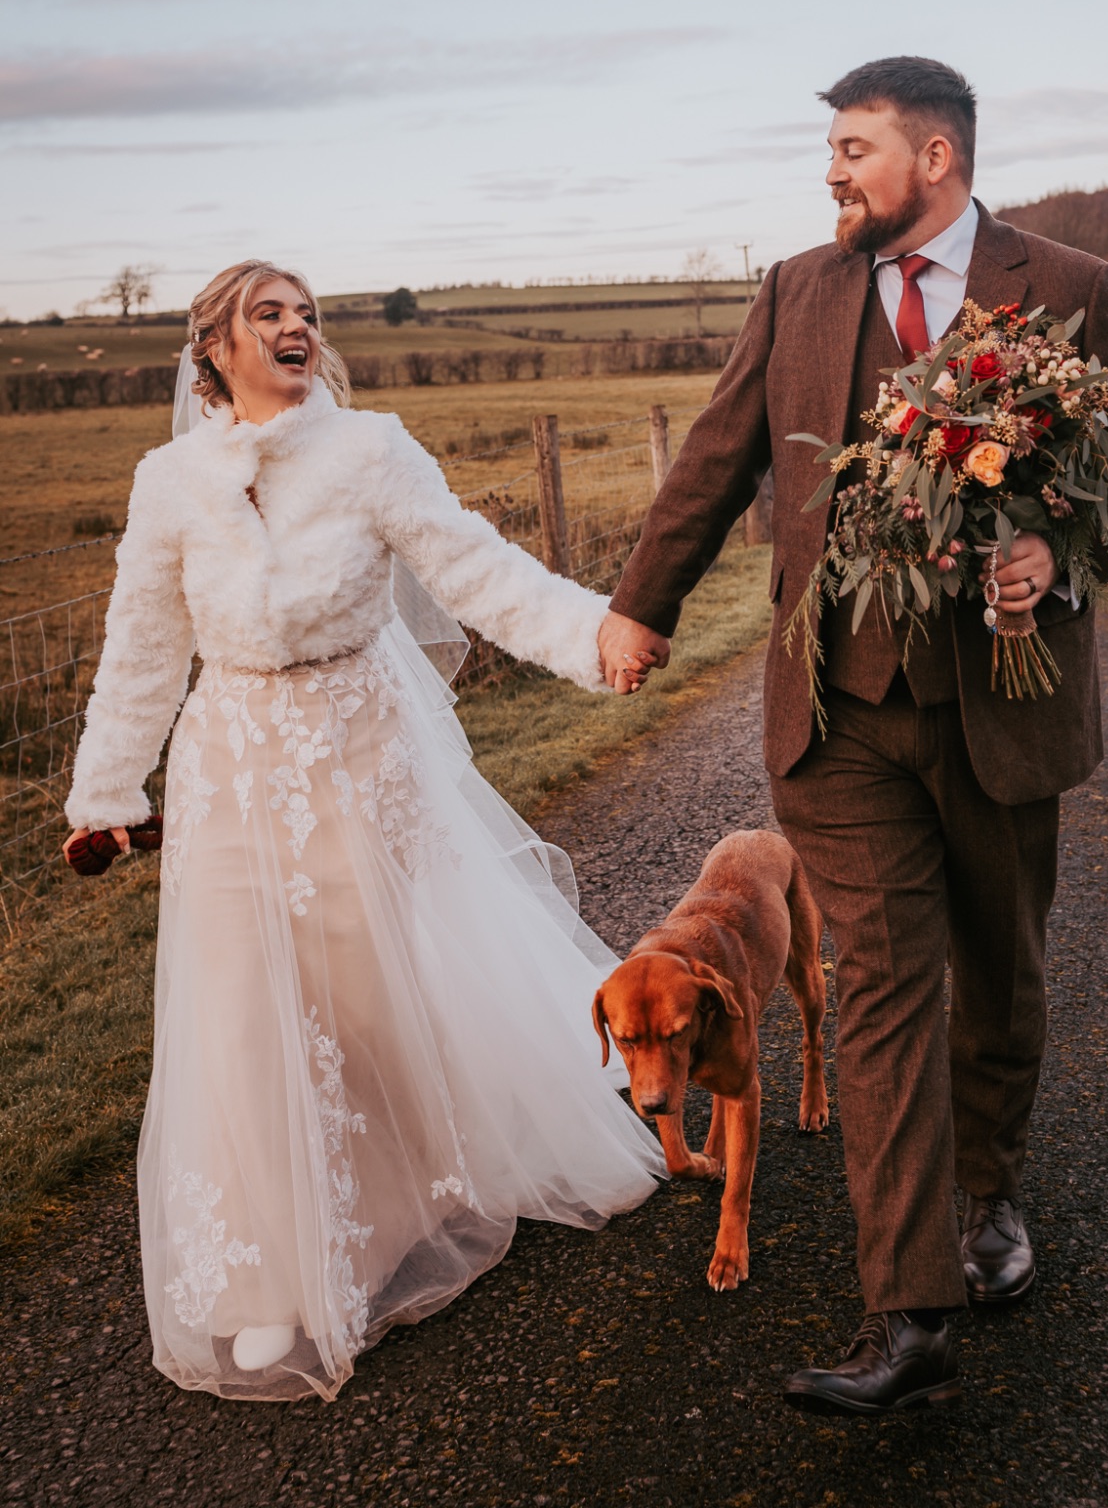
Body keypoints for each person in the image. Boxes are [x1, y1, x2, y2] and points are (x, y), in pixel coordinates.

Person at [599, 56, 1108, 1413]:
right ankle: (910, 1310)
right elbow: (717, 453)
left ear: (935, 156)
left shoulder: (1075, 284)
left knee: (999, 972)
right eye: (831, 150)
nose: (831, 172)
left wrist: (1059, 551)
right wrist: (642, 603)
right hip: (841, 711)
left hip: (1006, 707)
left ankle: (989, 1193)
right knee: (875, 990)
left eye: (853, 148)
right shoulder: (795, 290)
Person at [65, 259, 663, 1403]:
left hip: (357, 754)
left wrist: (593, 635)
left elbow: (477, 569)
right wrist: (107, 794)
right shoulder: (169, 480)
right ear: (214, 347)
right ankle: (268, 1277)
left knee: (360, 997)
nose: (295, 327)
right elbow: (140, 645)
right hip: (229, 765)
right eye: (268, 313)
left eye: (306, 314)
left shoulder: (371, 451)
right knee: (241, 1010)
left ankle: (389, 1215)